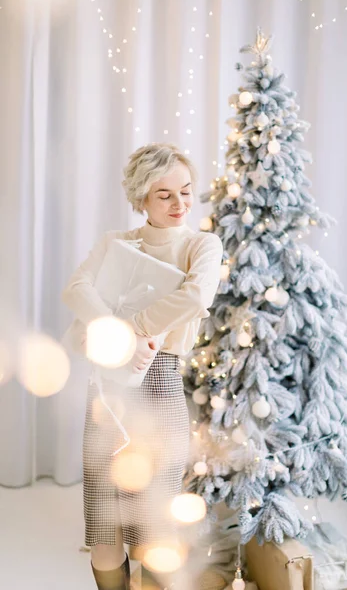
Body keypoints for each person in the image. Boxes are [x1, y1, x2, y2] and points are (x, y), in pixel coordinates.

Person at [61, 143, 223, 590]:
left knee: (153, 529)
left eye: (186, 192)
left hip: (161, 387)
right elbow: (75, 288)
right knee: (105, 529)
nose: (179, 204)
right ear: (141, 198)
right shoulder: (116, 242)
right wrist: (118, 335)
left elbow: (196, 297)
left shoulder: (200, 244)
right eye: (164, 194)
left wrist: (129, 328)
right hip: (108, 392)